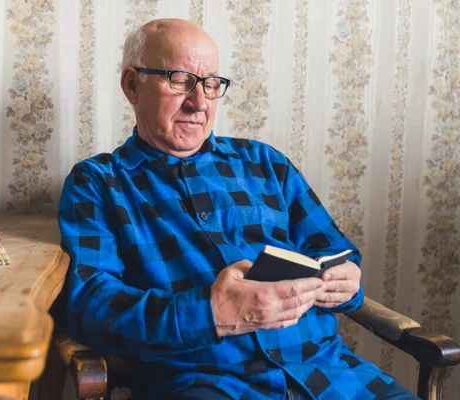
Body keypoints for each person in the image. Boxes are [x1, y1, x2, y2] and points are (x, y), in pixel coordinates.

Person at [58, 18, 418, 400]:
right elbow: (90, 307)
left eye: (211, 84)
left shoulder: (266, 163)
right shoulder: (97, 183)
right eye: (179, 80)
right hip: (204, 383)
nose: (199, 103)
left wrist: (347, 281)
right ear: (132, 84)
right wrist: (211, 313)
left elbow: (333, 251)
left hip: (332, 376)